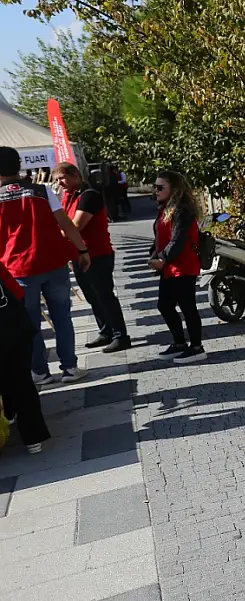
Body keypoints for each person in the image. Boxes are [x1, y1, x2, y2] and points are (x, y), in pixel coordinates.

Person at [0, 146, 90, 387]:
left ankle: (40, 372)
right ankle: (69, 367)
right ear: (18, 165)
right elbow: (66, 224)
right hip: (53, 263)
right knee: (62, 317)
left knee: (30, 324)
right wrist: (82, 249)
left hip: (18, 269)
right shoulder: (41, 191)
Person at [55, 163, 131, 352]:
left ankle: (120, 335)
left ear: (75, 175)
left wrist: (54, 232)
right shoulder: (69, 196)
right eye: (56, 180)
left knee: (104, 295)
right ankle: (106, 330)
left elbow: (74, 226)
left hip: (97, 254)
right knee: (92, 296)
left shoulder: (89, 196)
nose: (59, 183)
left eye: (61, 178)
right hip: (79, 255)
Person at [150, 170, 206, 364]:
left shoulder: (182, 209)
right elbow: (160, 236)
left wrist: (162, 258)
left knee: (187, 306)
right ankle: (180, 343)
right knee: (164, 305)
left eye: (160, 187)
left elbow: (178, 239)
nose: (155, 191)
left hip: (183, 266)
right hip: (169, 267)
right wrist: (154, 256)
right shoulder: (165, 207)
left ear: (174, 189)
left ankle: (197, 347)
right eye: (154, 187)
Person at [0, 258, 51, 454]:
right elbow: (17, 291)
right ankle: (33, 437)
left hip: (11, 325)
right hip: (14, 323)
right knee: (21, 379)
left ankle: (11, 416)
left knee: (11, 378)